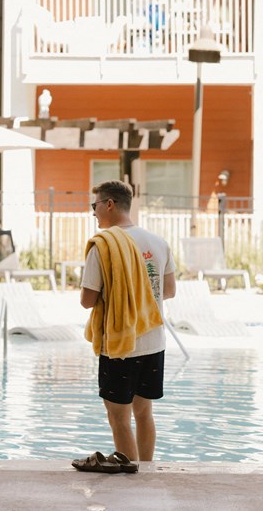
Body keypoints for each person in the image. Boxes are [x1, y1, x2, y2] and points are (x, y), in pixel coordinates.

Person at [79, 179, 176, 464]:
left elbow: (87, 300)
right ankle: (146, 470)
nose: (94, 212)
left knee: (118, 416)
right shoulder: (158, 242)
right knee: (144, 412)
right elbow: (168, 291)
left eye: (94, 205)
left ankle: (131, 479)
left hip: (121, 344)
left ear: (109, 204)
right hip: (154, 342)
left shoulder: (104, 246)